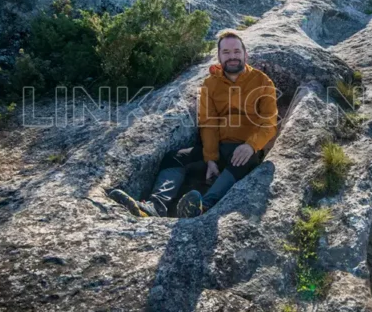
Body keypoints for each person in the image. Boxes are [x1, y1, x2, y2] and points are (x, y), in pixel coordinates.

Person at [109, 30, 278, 218]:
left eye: (237, 52)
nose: (232, 57)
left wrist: (251, 146)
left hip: (245, 148)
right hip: (220, 146)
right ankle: (154, 207)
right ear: (219, 56)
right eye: (227, 52)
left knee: (244, 161)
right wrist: (211, 158)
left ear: (245, 55)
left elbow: (269, 121)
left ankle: (202, 207)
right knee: (174, 157)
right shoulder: (210, 84)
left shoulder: (262, 82)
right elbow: (208, 123)